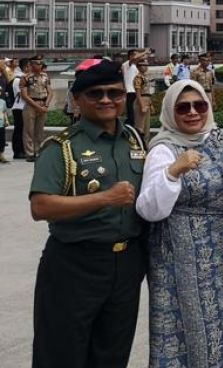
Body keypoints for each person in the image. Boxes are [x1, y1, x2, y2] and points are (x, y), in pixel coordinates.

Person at [29, 59, 147, 368]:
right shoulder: (62, 147)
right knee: (62, 353)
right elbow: (41, 206)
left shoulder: (133, 139)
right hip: (75, 264)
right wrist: (104, 198)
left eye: (114, 93)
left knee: (112, 353)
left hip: (125, 264)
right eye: (96, 93)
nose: (106, 100)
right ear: (78, 100)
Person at [137, 80, 223, 368]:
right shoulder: (163, 149)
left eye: (200, 105)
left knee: (215, 328)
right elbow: (148, 208)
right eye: (183, 107)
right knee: (179, 329)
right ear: (171, 112)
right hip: (178, 256)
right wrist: (173, 171)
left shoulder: (219, 141)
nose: (193, 112)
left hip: (218, 253)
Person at [21, 53, 51, 161]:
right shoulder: (26, 77)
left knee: (39, 131)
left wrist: (46, 104)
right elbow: (24, 95)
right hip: (31, 105)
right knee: (29, 130)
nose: (40, 65)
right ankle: (29, 153)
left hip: (43, 104)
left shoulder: (45, 76)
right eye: (38, 63)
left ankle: (38, 151)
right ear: (32, 64)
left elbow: (50, 92)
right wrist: (38, 107)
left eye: (41, 63)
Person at [132, 55, 154, 141]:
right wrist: (142, 106)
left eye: (146, 65)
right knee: (140, 127)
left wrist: (150, 105)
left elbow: (148, 92)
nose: (145, 67)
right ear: (138, 67)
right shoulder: (138, 77)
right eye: (143, 65)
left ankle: (146, 146)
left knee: (146, 127)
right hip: (141, 100)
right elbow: (138, 93)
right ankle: (138, 147)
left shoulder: (145, 77)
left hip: (147, 100)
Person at [10, 57, 26, 160]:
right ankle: (17, 151)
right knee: (19, 130)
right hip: (19, 107)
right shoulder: (17, 79)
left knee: (23, 130)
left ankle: (22, 150)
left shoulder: (24, 78)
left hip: (24, 107)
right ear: (25, 67)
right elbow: (22, 94)